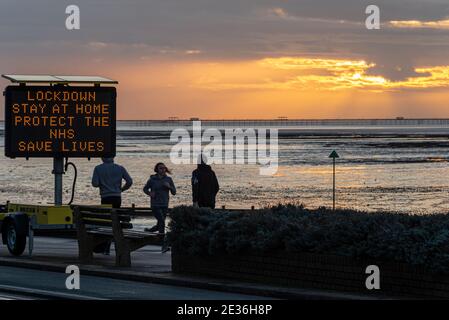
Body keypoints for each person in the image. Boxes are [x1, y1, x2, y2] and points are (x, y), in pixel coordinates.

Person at [92, 157, 133, 254]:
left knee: (107, 222)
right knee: (115, 222)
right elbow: (130, 182)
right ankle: (113, 247)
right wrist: (121, 189)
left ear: (102, 158)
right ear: (113, 157)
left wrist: (103, 183)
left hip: (105, 198)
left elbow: (95, 183)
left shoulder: (98, 168)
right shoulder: (120, 168)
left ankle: (105, 247)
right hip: (117, 197)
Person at [143, 162, 176, 234]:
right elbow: (145, 189)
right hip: (155, 204)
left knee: (160, 223)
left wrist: (169, 187)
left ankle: (149, 231)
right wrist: (149, 193)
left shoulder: (168, 179)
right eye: (161, 168)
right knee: (161, 221)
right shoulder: (152, 179)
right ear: (157, 170)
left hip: (165, 204)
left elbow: (174, 192)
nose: (163, 169)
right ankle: (161, 239)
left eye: (164, 168)